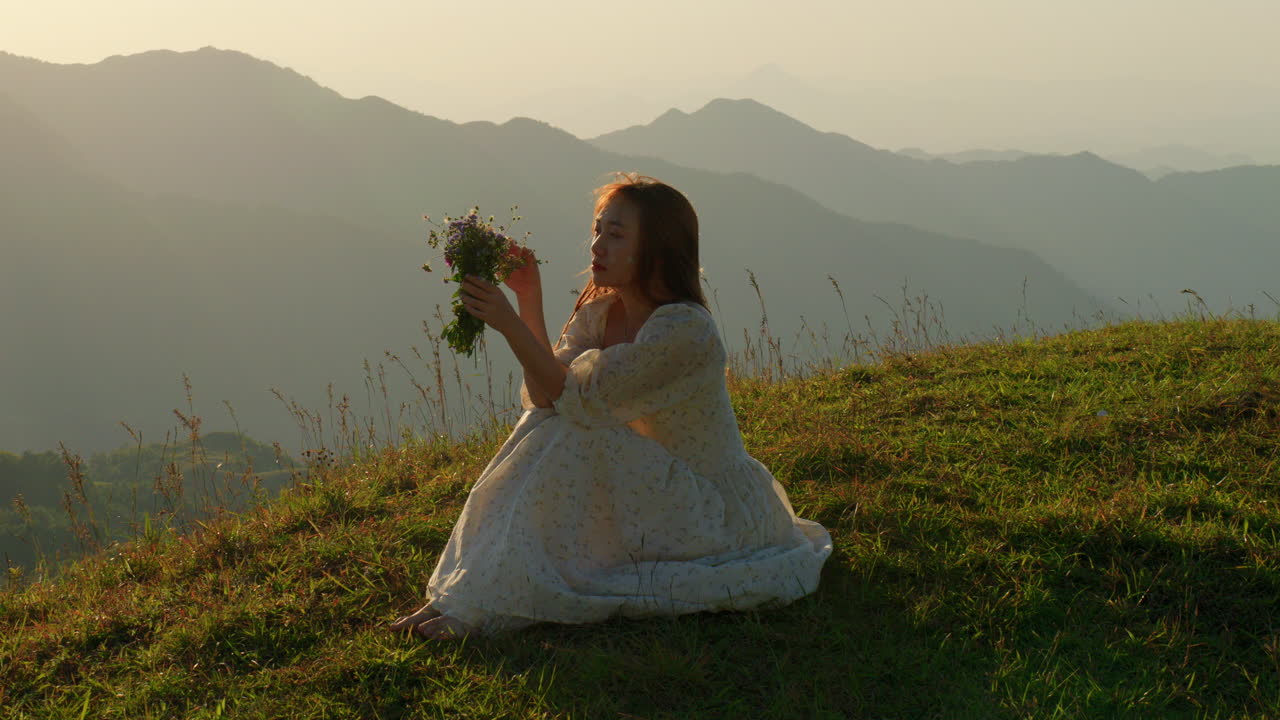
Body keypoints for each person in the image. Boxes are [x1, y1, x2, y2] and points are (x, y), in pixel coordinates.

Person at [390, 174, 832, 639]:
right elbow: (547, 395)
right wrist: (527, 300)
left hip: (709, 508)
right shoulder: (601, 313)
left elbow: (576, 402)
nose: (597, 245)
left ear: (657, 250)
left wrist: (508, 324)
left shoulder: (684, 331)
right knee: (549, 422)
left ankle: (488, 605)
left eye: (616, 235)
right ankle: (467, 597)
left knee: (570, 428)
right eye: (598, 230)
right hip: (651, 489)